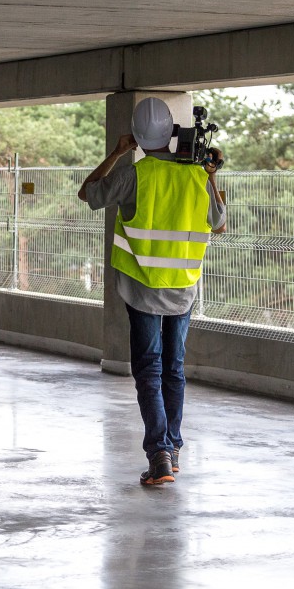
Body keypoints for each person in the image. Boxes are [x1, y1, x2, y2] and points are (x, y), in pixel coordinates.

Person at [78, 97, 226, 486]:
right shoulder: (195, 176)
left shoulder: (134, 174)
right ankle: (172, 448)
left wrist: (116, 153)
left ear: (138, 138)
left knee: (149, 371)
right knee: (174, 369)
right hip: (182, 290)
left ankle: (159, 453)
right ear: (173, 132)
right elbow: (220, 222)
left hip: (142, 290)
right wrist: (209, 174)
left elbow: (88, 193)